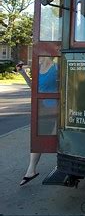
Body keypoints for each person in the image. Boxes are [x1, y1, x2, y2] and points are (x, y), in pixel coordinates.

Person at [16, 57, 58, 186]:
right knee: (38, 138)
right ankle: (31, 170)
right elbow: (33, 87)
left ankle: (62, 166)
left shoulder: (56, 67)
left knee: (57, 138)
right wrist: (22, 73)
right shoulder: (38, 68)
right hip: (41, 108)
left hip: (54, 109)